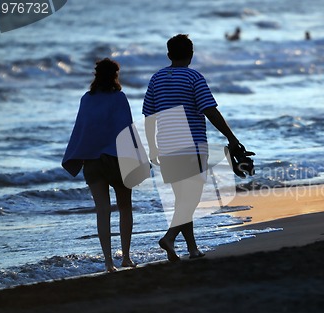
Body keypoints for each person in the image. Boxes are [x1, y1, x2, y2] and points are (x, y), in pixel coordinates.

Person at [143, 34, 244, 262]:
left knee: (182, 199)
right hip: (192, 146)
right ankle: (169, 237)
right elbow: (210, 110)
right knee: (192, 198)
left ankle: (192, 249)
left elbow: (149, 116)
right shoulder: (193, 77)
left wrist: (152, 147)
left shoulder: (156, 79)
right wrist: (231, 137)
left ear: (169, 54)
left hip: (167, 146)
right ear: (191, 54)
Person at [62, 58, 136, 272]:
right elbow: (127, 131)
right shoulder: (119, 98)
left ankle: (108, 262)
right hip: (117, 160)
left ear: (96, 75)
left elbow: (81, 130)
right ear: (115, 75)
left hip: (93, 162)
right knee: (125, 208)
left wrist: (77, 156)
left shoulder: (87, 99)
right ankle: (126, 258)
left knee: (102, 210)